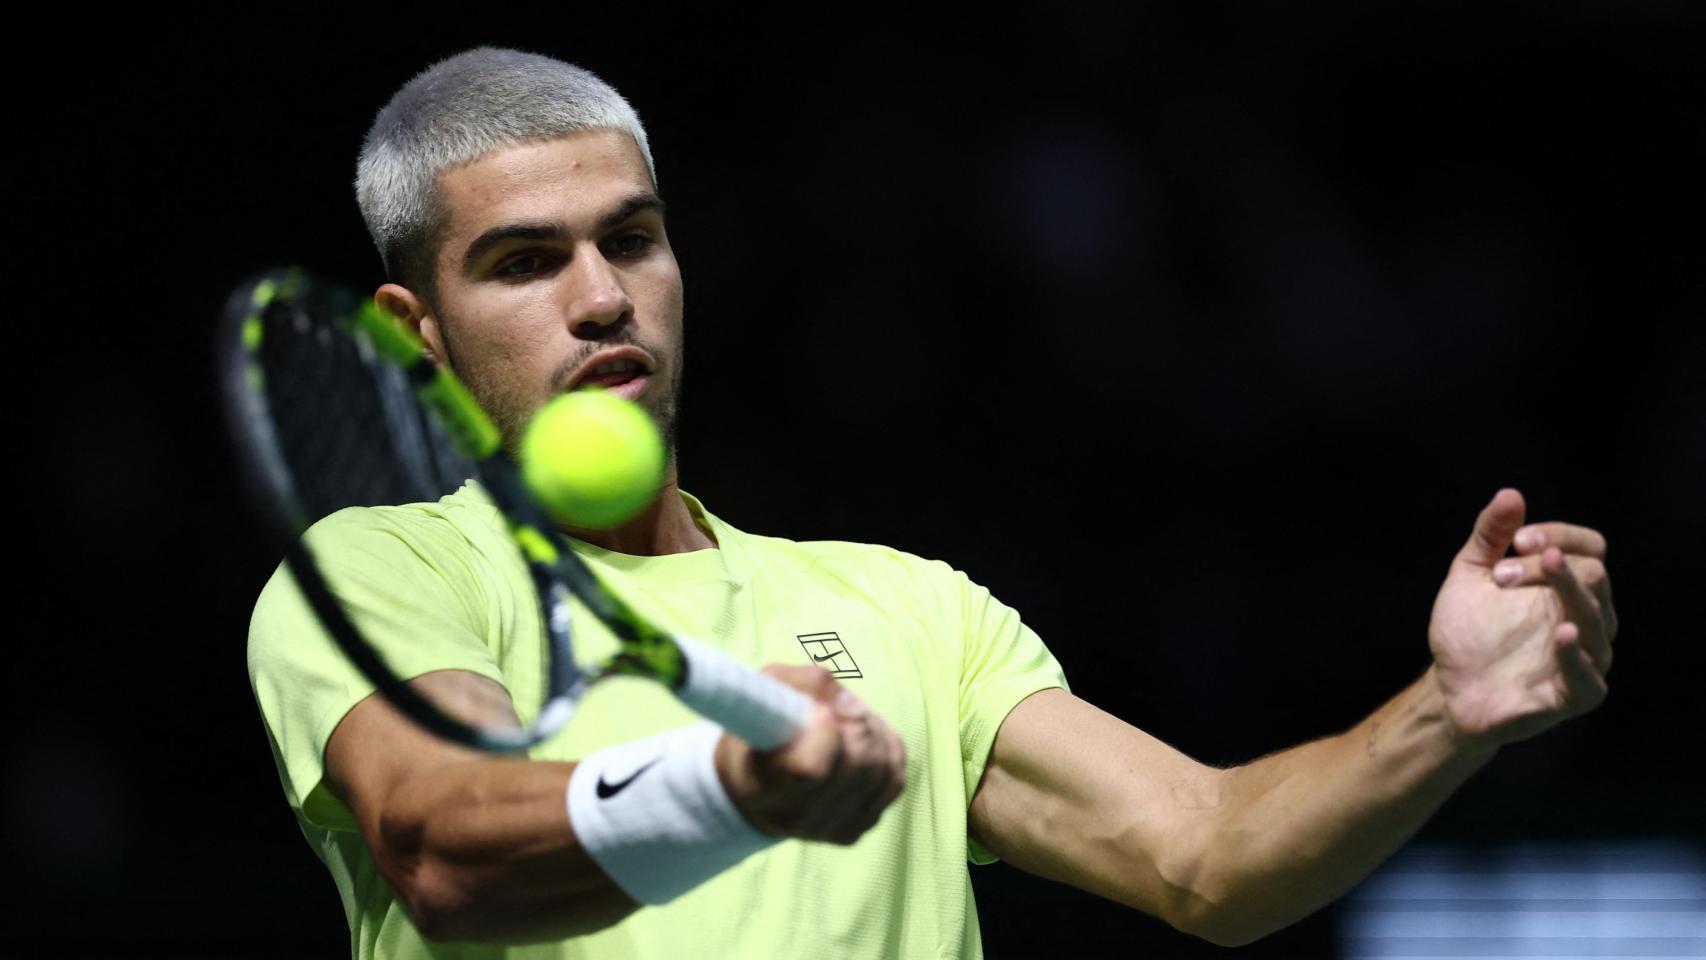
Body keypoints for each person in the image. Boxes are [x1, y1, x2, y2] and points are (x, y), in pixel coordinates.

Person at [247, 47, 1618, 959]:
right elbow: (445, 846)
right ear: (414, 333)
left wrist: (1445, 713)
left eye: (633, 239)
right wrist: (727, 786)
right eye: (524, 261)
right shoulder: (380, 571)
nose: (602, 295)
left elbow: (1207, 854)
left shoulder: (903, 606)